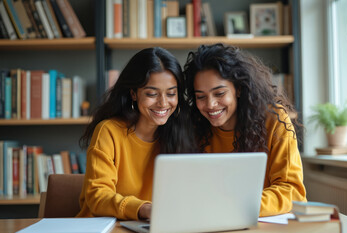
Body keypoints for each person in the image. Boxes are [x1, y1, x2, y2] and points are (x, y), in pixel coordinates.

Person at [184, 43, 306, 217]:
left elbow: (292, 192)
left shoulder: (274, 120)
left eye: (219, 94)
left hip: (264, 225)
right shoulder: (194, 127)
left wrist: (234, 206)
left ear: (239, 89)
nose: (210, 105)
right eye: (201, 97)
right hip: (213, 223)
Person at [77, 47, 196, 220]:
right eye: (152, 94)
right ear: (133, 93)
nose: (163, 103)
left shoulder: (180, 133)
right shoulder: (109, 131)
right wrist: (143, 209)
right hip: (101, 230)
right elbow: (98, 197)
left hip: (149, 229)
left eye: (171, 93)